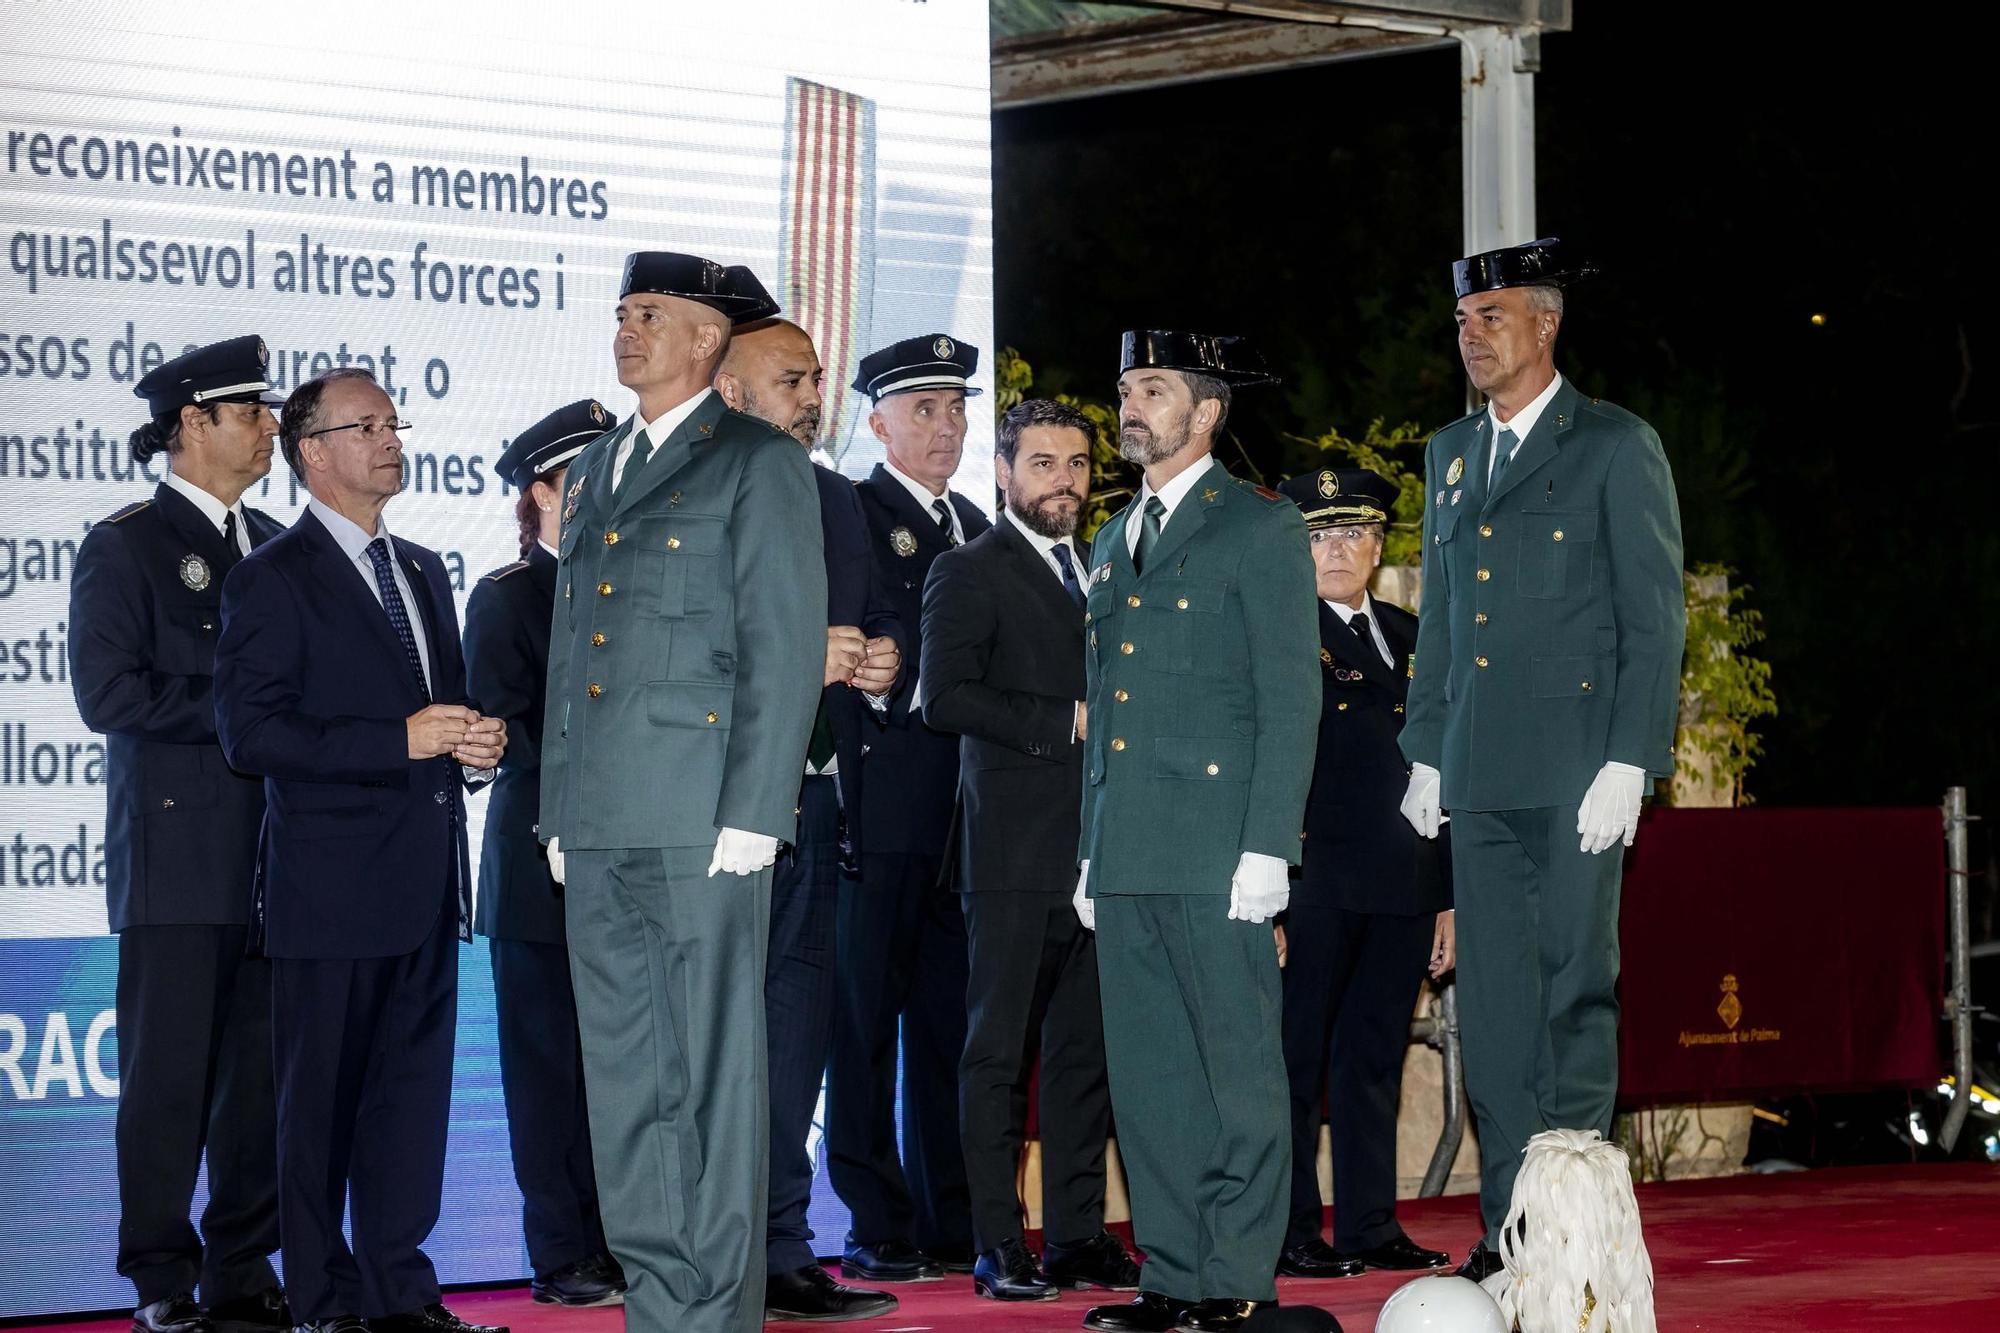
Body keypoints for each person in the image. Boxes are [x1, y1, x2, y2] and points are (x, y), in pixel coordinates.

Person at [537, 251, 824, 1333]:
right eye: (620, 312)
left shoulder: (753, 460)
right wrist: (556, 805)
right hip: (601, 816)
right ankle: (658, 1301)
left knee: (706, 1076)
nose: (626, 329)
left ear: (706, 340)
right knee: (623, 1079)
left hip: (704, 816)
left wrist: (758, 808)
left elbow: (781, 641)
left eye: (648, 313)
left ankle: (710, 1310)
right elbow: (574, 651)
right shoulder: (601, 463)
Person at [1398, 238, 1685, 1281]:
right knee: (1498, 1011)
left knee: (1574, 992)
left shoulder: (1611, 444)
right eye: (1463, 320)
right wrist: (1425, 746)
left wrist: (1629, 755)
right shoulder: (1448, 453)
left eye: (1493, 316)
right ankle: (1510, 1232)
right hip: (1476, 773)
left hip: (1574, 773)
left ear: (1545, 324)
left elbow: (1649, 618)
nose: (1472, 335)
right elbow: (1439, 621)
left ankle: (1576, 1228)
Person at [213, 367, 507, 1333]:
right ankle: (324, 1301)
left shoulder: (422, 566)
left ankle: (401, 1293)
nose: (390, 437)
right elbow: (251, 735)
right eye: (366, 424)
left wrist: (472, 746)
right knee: (320, 1115)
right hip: (328, 895)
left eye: (394, 421)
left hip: (427, 887)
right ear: (313, 453)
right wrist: (399, 740)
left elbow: (440, 714)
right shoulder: (269, 576)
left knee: (409, 1110)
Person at [1074, 331, 1320, 1333]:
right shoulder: (1107, 538)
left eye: (1154, 388)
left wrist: (1268, 846)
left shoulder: (1256, 528)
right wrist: (1090, 847)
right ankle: (1169, 1275)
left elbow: (1287, 698)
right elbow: (1105, 702)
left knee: (1237, 1073)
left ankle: (1234, 1275)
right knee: (1149, 1079)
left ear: (1206, 412)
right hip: (1127, 843)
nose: (1132, 404)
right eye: (1126, 385)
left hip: (1220, 847)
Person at [69, 335, 289, 1333]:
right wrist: (245, 702)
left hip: (276, 860)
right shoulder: (127, 545)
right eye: (251, 413)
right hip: (177, 858)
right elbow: (108, 692)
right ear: (192, 424)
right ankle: (161, 1273)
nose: (270, 430)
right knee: (169, 1080)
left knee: (258, 1086)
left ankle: (243, 1266)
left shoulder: (281, 545)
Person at [921, 399, 1141, 1303]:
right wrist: (1068, 722)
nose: (1064, 479)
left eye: (1079, 463)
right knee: (997, 1055)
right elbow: (945, 697)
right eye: (1043, 462)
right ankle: (997, 1242)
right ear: (1004, 472)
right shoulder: (966, 568)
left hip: (1102, 855)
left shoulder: (1108, 570)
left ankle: (1079, 1236)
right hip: (1012, 853)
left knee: (1086, 1056)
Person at [712, 312, 903, 1323]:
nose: (811, 396)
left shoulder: (835, 500)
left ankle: (785, 1249)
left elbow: (865, 629)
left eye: (816, 378)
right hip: (718, 815)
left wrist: (876, 667)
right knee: (717, 1048)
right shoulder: (690, 498)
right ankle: (714, 1255)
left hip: (818, 804)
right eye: (792, 378)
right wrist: (795, 664)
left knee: (794, 1044)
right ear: (730, 390)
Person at [827, 334, 989, 1282]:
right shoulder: (852, 509)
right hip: (883, 808)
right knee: (862, 1023)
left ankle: (945, 1214)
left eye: (956, 407)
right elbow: (857, 633)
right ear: (878, 422)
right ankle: (873, 1217)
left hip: (968, 824)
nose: (945, 424)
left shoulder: (975, 521)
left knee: (947, 1028)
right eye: (923, 408)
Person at [1272, 468, 1454, 1281]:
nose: (1335, 549)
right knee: (1295, 1061)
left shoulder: (1416, 636)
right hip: (1315, 878)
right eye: (1317, 534)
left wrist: (1445, 897)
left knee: (1376, 1059)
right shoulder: (1275, 633)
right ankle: (1289, 1229)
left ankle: (1371, 1224)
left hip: (1403, 882)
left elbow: (1448, 771)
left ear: (1379, 547)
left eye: (1351, 534)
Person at [465, 399, 626, 1308]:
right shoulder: (507, 594)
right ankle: (560, 1252)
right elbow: (501, 724)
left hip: (627, 864)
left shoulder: (633, 585)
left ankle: (616, 1237)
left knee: (621, 1071)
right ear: (541, 495)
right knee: (547, 1071)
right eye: (586, 480)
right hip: (539, 872)